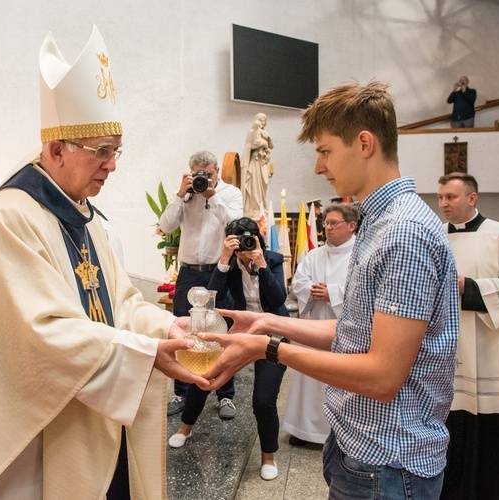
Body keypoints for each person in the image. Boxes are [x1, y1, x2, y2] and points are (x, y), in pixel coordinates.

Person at [0, 26, 208, 499]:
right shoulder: (11, 219)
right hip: (41, 435)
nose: (112, 165)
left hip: (98, 413)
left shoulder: (83, 215)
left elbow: (120, 300)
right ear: (55, 149)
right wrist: (142, 353)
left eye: (115, 151)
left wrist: (164, 329)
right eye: (100, 152)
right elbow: (44, 333)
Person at [197, 81, 459, 499]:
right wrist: (271, 321)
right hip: (360, 445)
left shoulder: (404, 233)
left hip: (388, 460)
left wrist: (268, 348)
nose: (319, 167)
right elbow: (356, 333)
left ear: (364, 143)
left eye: (324, 151)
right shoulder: (378, 222)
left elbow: (383, 376)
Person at [436, 172, 499, 500]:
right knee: (453, 428)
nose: (443, 204)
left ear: (472, 198)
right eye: (440, 198)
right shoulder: (435, 237)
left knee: (498, 439)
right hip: (449, 348)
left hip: (494, 349)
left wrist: (471, 287)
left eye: (450, 197)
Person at [169, 217, 289, 481]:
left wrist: (261, 265)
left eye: (251, 239)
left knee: (263, 400)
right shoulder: (230, 265)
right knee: (204, 377)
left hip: (272, 333)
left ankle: (268, 456)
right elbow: (211, 297)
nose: (246, 246)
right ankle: (185, 428)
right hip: (239, 332)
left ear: (258, 239)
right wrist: (224, 260)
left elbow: (279, 299)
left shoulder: (273, 259)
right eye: (240, 242)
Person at [159, 150, 243, 417]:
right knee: (183, 332)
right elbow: (166, 225)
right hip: (188, 274)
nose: (203, 179)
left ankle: (225, 396)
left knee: (221, 333)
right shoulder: (186, 195)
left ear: (216, 171)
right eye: (198, 174)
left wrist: (211, 196)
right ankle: (181, 393)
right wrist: (179, 195)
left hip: (219, 271)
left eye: (207, 174)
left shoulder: (230, 194)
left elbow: (235, 224)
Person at [283, 202, 358, 447]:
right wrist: (312, 291)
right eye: (326, 223)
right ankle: (305, 431)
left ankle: (337, 435)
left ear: (351, 225)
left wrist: (333, 293)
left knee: (338, 380)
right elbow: (298, 283)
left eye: (333, 223)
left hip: (344, 329)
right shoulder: (315, 255)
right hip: (315, 324)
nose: (328, 228)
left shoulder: (360, 254)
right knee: (311, 378)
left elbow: (365, 292)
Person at [240, 112, 274, 219]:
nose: (263, 122)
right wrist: (263, 143)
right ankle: (254, 208)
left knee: (264, 183)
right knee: (254, 184)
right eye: (261, 120)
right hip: (254, 161)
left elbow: (271, 146)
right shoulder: (251, 132)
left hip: (263, 162)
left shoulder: (265, 133)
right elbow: (250, 146)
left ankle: (262, 206)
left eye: (264, 120)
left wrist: (268, 139)